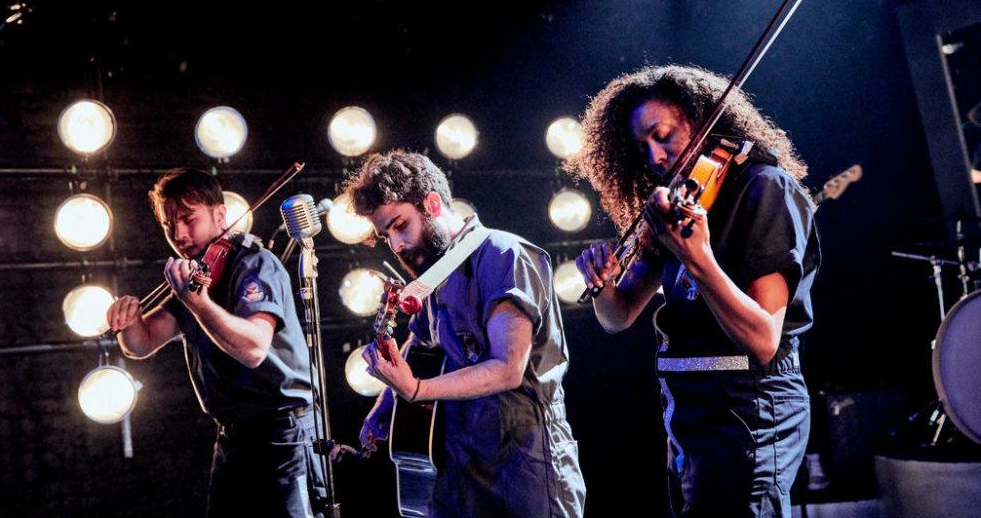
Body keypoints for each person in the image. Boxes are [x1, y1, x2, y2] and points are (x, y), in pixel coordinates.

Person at [565, 65, 820, 517]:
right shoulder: (682, 200)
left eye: (662, 135)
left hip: (749, 408)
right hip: (688, 413)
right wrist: (603, 286)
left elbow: (763, 340)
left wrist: (698, 257)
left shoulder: (764, 189)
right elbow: (618, 316)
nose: (655, 156)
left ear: (702, 117)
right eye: (642, 148)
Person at [346, 149, 586, 518]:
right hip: (460, 466)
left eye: (399, 225)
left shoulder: (504, 255)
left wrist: (416, 391)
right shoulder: (433, 274)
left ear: (432, 204)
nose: (395, 245)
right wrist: (388, 402)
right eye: (385, 236)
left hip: (524, 464)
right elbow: (421, 342)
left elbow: (507, 367)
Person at [105, 168, 325, 518]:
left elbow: (253, 349)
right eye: (168, 225)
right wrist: (126, 321)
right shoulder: (195, 278)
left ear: (220, 215)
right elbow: (142, 343)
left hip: (283, 432)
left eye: (188, 220)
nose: (178, 234)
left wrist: (199, 303)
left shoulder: (255, 264)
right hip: (232, 437)